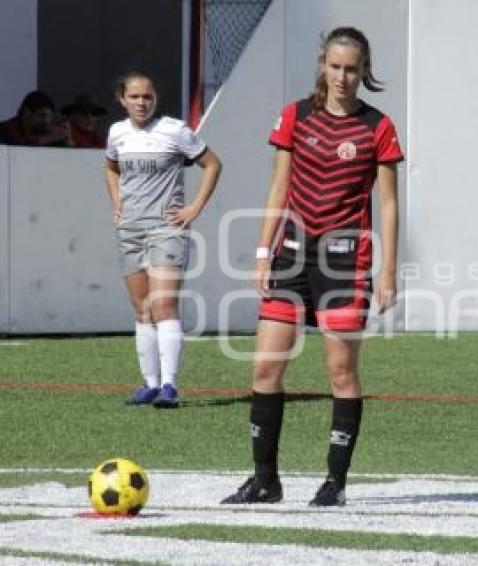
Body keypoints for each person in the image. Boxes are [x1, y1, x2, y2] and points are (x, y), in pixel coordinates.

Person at [221, 26, 403, 506]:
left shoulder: (377, 127)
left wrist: (387, 271)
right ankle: (265, 480)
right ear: (322, 64)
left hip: (346, 265)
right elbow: (279, 187)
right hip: (291, 259)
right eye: (336, 66)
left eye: (353, 68)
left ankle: (335, 483)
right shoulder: (295, 116)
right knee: (264, 370)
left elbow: (387, 205)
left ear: (365, 70)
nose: (343, 77)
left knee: (340, 373)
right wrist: (263, 253)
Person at [105, 70, 222, 408]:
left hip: (166, 229)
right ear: (122, 99)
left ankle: (170, 386)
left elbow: (213, 164)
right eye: (135, 97)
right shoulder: (117, 132)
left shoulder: (175, 131)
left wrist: (194, 208)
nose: (142, 102)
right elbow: (110, 167)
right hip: (130, 230)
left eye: (148, 96)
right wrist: (117, 203)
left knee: (163, 305)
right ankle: (149, 385)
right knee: (141, 309)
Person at [0, 90, 70, 147]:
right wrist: (45, 139)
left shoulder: (47, 132)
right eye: (41, 115)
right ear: (27, 113)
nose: (46, 121)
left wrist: (67, 141)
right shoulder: (5, 131)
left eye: (49, 116)